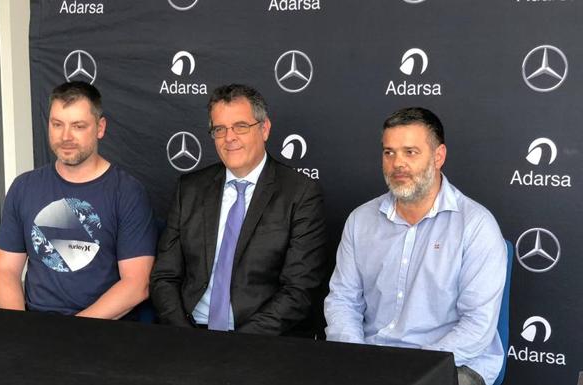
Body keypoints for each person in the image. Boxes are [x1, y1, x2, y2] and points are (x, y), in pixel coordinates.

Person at [324, 107, 507, 385]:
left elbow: (476, 326)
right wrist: (356, 357)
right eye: (389, 152)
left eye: (410, 152)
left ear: (438, 156)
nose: (398, 163)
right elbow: (342, 301)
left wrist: (412, 370)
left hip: (454, 364)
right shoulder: (360, 221)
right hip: (373, 358)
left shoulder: (476, 226)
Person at [150, 84, 326, 336]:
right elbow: (164, 277)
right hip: (189, 332)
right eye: (219, 129)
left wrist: (237, 346)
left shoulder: (300, 193)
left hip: (259, 339)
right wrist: (183, 335)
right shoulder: (189, 188)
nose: (229, 137)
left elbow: (299, 289)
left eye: (240, 127)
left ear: (264, 129)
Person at [0, 81, 157, 319]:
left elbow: (136, 284)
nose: (65, 136)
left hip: (100, 330)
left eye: (78, 126)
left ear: (100, 128)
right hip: (34, 327)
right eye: (57, 124)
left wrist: (70, 333)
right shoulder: (24, 187)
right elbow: (5, 270)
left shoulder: (128, 192)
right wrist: (20, 327)